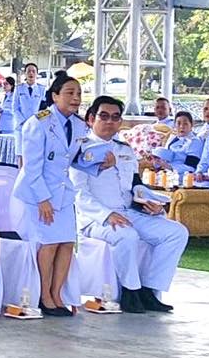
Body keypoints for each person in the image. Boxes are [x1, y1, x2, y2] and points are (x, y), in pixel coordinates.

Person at [76, 95, 187, 313]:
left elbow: (134, 185)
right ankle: (130, 291)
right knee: (127, 235)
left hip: (128, 211)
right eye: (103, 116)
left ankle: (149, 289)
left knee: (177, 232)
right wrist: (107, 215)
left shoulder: (125, 150)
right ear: (90, 119)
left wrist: (149, 201)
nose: (110, 121)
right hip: (95, 218)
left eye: (115, 117)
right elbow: (80, 194)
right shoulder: (81, 150)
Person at [15, 71, 89, 315]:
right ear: (55, 96)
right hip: (37, 193)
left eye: (79, 93)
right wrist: (43, 199)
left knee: (66, 243)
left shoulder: (78, 125)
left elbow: (74, 158)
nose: (76, 98)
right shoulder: (38, 123)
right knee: (48, 243)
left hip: (63, 193)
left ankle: (57, 294)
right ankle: (44, 294)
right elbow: (31, 167)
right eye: (70, 93)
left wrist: (98, 162)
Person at [5, 63, 46, 130]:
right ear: (25, 73)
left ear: (37, 74)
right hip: (21, 124)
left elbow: (44, 109)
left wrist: (35, 121)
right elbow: (14, 107)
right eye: (29, 71)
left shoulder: (42, 89)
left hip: (36, 125)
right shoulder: (19, 88)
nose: (31, 73)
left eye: (33, 71)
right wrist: (23, 121)